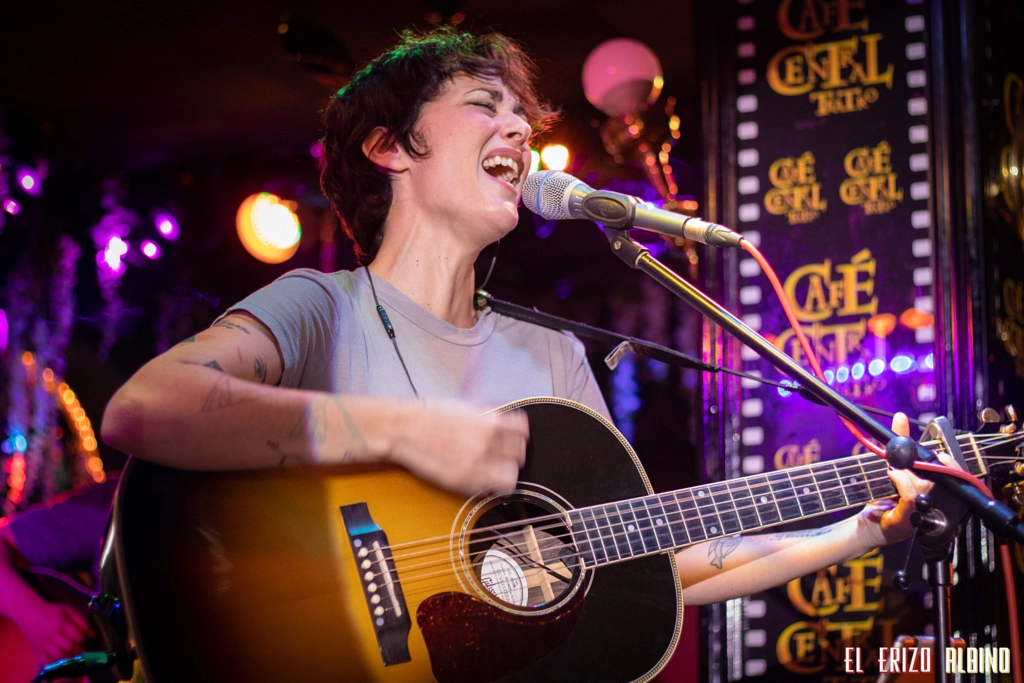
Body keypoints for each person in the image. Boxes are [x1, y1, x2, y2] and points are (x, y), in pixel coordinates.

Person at [100, 27, 949, 608]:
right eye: (483, 103)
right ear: (389, 147)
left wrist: (854, 531)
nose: (516, 126)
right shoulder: (318, 307)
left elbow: (655, 559)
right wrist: (396, 433)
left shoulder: (550, 359)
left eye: (521, 114)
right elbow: (145, 409)